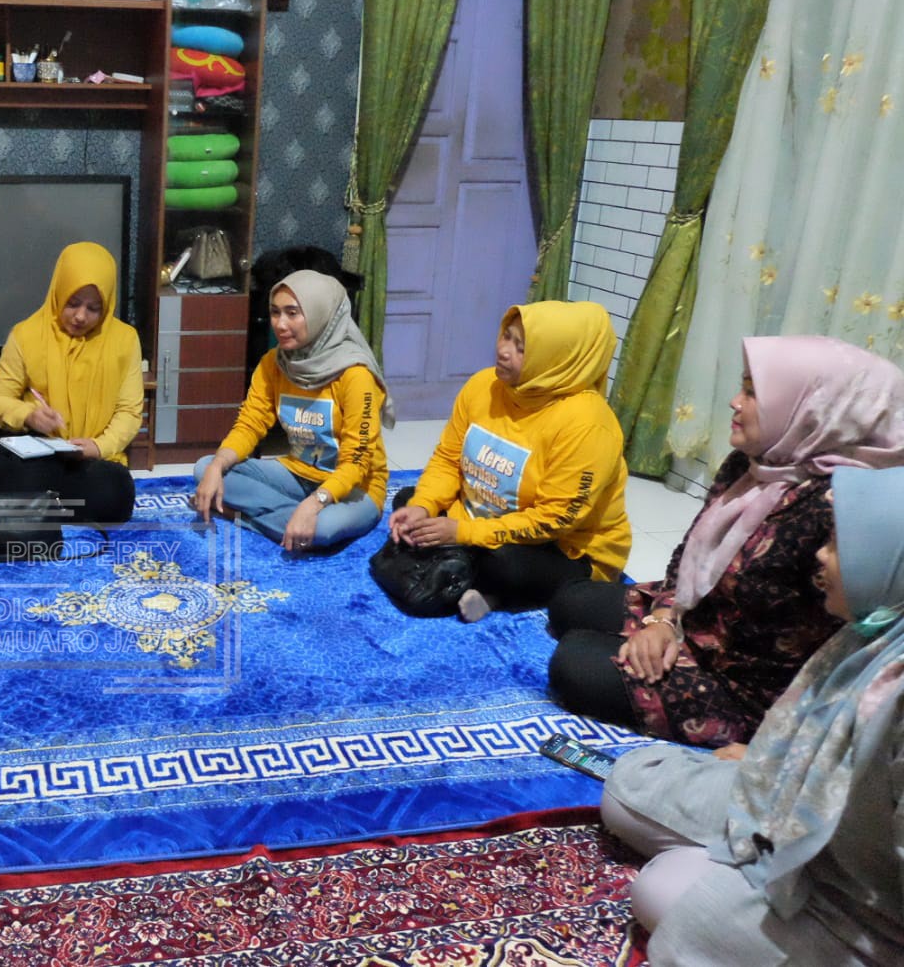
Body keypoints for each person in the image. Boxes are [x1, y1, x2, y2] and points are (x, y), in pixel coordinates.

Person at [600, 465, 904, 965]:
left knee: (672, 904)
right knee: (629, 786)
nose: (820, 555)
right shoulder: (873, 629)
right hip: (791, 798)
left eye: (837, 544)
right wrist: (778, 758)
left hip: (861, 901)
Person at [548, 336, 904, 747]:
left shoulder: (842, 508)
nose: (735, 402)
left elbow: (848, 649)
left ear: (812, 411)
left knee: (575, 662)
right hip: (698, 617)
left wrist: (772, 748)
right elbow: (689, 552)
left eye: (752, 393)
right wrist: (663, 620)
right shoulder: (754, 464)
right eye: (743, 387)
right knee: (571, 600)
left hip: (746, 688)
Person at [384, 301, 630, 619]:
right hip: (483, 517)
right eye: (507, 336)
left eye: (522, 348)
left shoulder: (588, 425)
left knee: (505, 565)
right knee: (408, 502)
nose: (503, 351)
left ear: (557, 360)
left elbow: (554, 520)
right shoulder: (483, 385)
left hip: (559, 546)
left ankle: (491, 593)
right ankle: (465, 569)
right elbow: (448, 459)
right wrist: (424, 505)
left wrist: (462, 533)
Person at [0, 241, 144, 526]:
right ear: (58, 291)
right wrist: (29, 415)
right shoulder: (26, 334)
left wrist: (98, 447)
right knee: (26, 473)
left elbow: (129, 411)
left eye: (94, 308)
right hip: (39, 456)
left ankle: (7, 504)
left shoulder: (125, 340)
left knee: (116, 497)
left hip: (96, 462)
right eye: (72, 303)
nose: (80, 316)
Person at [193, 270, 391, 552]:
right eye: (275, 312)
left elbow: (357, 461)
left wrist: (316, 503)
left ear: (320, 314)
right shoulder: (273, 363)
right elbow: (250, 425)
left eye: (292, 313)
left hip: (356, 489)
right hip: (296, 475)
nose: (280, 324)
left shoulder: (356, 375)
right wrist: (217, 466)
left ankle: (253, 516)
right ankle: (291, 519)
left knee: (322, 529)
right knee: (204, 468)